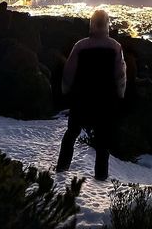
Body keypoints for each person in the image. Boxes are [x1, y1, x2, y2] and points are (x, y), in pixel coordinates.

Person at [56, 9, 126, 179]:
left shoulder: (80, 45)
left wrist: (66, 90)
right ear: (107, 24)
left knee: (72, 133)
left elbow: (68, 72)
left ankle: (61, 168)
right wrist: (120, 94)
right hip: (105, 100)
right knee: (103, 141)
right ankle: (101, 177)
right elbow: (120, 75)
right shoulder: (115, 46)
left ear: (92, 25)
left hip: (81, 98)